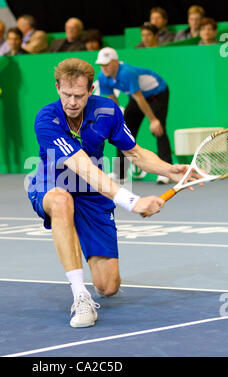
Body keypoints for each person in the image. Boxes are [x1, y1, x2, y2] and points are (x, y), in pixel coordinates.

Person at [27, 57, 190, 328]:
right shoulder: (47, 118)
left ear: (91, 90)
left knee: (108, 286)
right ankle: (80, 296)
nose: (72, 102)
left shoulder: (108, 110)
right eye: (66, 94)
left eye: (79, 95)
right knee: (61, 201)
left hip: (92, 194)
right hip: (51, 185)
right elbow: (82, 167)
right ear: (57, 88)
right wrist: (132, 202)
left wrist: (170, 169)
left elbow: (135, 152)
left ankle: (78, 238)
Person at [96, 47, 172, 184]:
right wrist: (116, 121)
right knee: (123, 131)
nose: (104, 68)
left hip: (157, 94)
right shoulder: (102, 76)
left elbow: (139, 98)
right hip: (137, 97)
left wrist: (153, 120)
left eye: (107, 64)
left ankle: (166, 172)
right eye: (102, 65)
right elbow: (112, 98)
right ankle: (120, 173)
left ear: (115, 62)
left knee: (158, 130)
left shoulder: (126, 73)